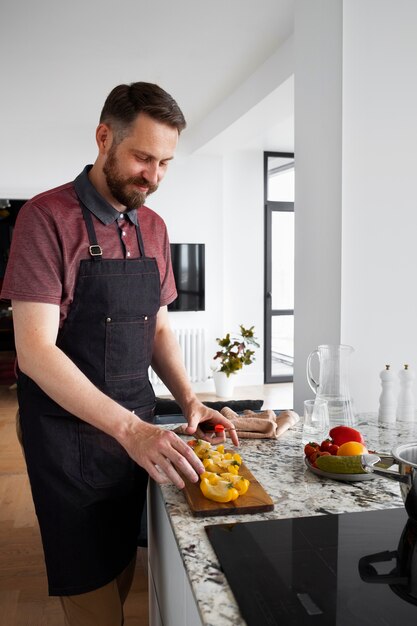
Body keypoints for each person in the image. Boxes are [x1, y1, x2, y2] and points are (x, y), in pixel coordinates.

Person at [0, 82, 239, 626]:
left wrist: (191, 401)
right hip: (68, 436)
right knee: (91, 591)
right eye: (142, 157)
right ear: (104, 137)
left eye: (165, 163)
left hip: (140, 426)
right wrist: (129, 430)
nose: (153, 176)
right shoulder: (44, 218)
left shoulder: (153, 226)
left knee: (121, 563)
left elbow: (157, 330)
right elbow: (34, 351)